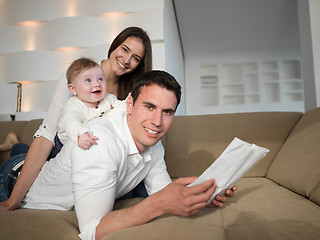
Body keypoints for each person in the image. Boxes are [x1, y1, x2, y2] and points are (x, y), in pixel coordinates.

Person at [20, 70, 236, 240]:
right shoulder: (98, 142)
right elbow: (90, 231)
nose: (157, 122)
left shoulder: (154, 145)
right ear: (130, 104)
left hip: (65, 171)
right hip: (15, 183)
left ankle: (16, 146)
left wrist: (202, 195)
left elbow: (162, 191)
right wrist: (158, 204)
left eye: (167, 112)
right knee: (19, 157)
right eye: (149, 106)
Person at [0, 26, 152, 210]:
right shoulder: (80, 75)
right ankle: (16, 146)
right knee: (28, 158)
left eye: (136, 58)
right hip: (60, 148)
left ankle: (16, 144)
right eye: (124, 49)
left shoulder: (128, 93)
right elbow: (47, 134)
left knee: (134, 188)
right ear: (114, 46)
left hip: (94, 157)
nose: (126, 60)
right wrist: (13, 201)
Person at [56, 57, 126, 153]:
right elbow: (71, 121)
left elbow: (119, 107)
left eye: (100, 79)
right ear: (73, 89)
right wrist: (81, 134)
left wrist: (129, 103)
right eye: (88, 80)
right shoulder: (74, 105)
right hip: (62, 145)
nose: (97, 84)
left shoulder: (108, 98)